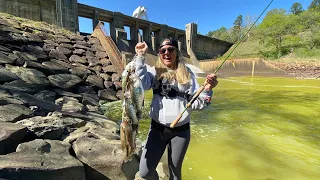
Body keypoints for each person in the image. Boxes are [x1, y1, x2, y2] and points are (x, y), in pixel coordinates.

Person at [133, 38, 218, 180]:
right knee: (145, 172)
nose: (167, 53)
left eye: (170, 50)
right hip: (157, 130)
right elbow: (141, 82)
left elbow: (199, 104)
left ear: (176, 53)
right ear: (159, 54)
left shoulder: (188, 74)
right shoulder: (155, 72)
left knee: (175, 173)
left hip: (181, 132)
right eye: (163, 50)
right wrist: (141, 56)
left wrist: (208, 89)